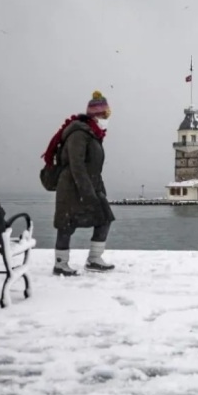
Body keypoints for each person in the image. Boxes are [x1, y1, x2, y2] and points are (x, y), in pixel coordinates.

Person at [52, 90, 116, 276]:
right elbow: (76, 164)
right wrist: (87, 192)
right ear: (97, 115)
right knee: (66, 223)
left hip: (91, 185)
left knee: (104, 218)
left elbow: (93, 166)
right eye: (105, 115)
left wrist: (98, 189)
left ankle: (94, 259)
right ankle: (60, 263)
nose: (107, 118)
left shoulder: (93, 134)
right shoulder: (79, 133)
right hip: (72, 187)